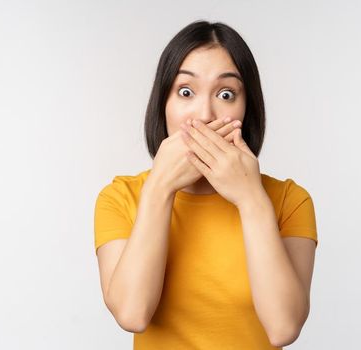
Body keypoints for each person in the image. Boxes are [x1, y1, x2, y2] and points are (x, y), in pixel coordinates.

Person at [93, 20, 318, 349]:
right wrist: (159, 188)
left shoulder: (289, 200)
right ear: (163, 105)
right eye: (185, 92)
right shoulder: (120, 197)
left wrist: (251, 199)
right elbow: (132, 314)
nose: (204, 113)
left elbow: (283, 328)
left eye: (226, 94)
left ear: (246, 109)